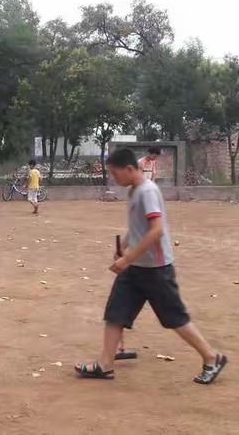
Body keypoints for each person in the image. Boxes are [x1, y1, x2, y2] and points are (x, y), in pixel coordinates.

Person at [75, 148, 227, 384]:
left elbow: (156, 230)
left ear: (128, 169)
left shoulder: (147, 191)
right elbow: (138, 228)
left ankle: (211, 357)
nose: (114, 179)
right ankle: (105, 366)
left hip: (155, 269)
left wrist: (126, 258)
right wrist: (124, 247)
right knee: (115, 313)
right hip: (136, 268)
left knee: (174, 317)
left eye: (115, 174)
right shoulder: (134, 191)